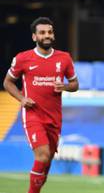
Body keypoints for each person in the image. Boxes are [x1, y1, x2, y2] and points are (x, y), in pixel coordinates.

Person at [3, 17, 79, 193]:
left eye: (50, 32)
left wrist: (66, 86)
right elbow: (8, 83)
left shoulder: (64, 58)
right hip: (33, 114)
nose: (47, 35)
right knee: (42, 155)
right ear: (34, 37)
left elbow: (75, 85)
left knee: (47, 162)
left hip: (54, 118)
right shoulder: (23, 58)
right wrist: (21, 99)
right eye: (42, 32)